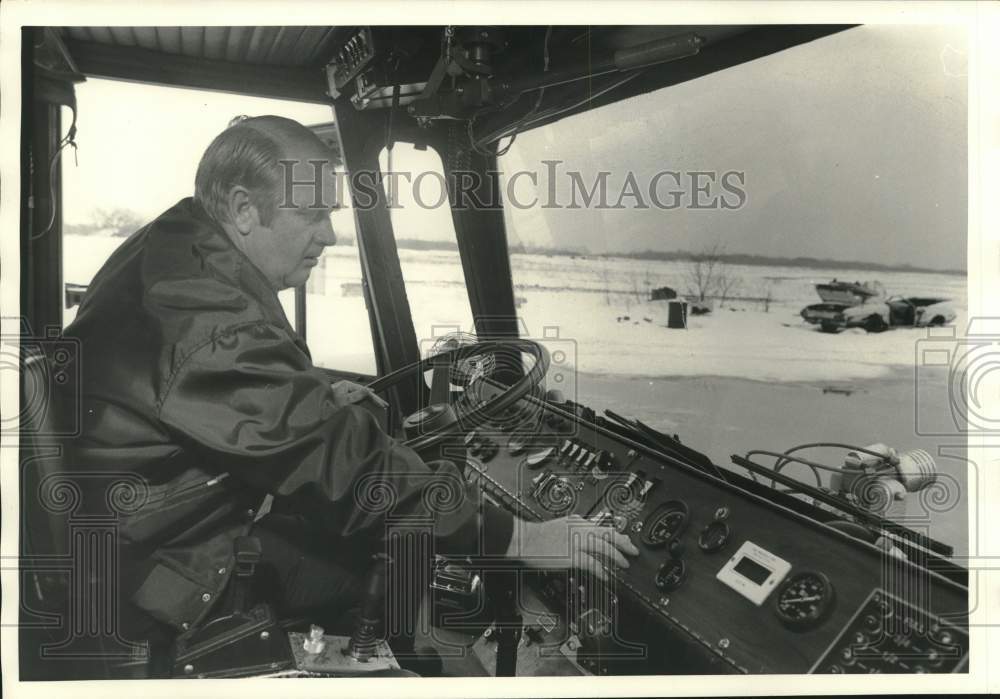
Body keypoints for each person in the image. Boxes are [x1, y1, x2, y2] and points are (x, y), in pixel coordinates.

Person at [61, 115, 637, 675]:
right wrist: (520, 535)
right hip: (161, 571)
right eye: (312, 215)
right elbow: (343, 466)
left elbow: (234, 398)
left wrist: (310, 399)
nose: (329, 235)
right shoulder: (213, 318)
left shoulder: (174, 246)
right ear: (242, 210)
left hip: (134, 532)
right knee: (404, 568)